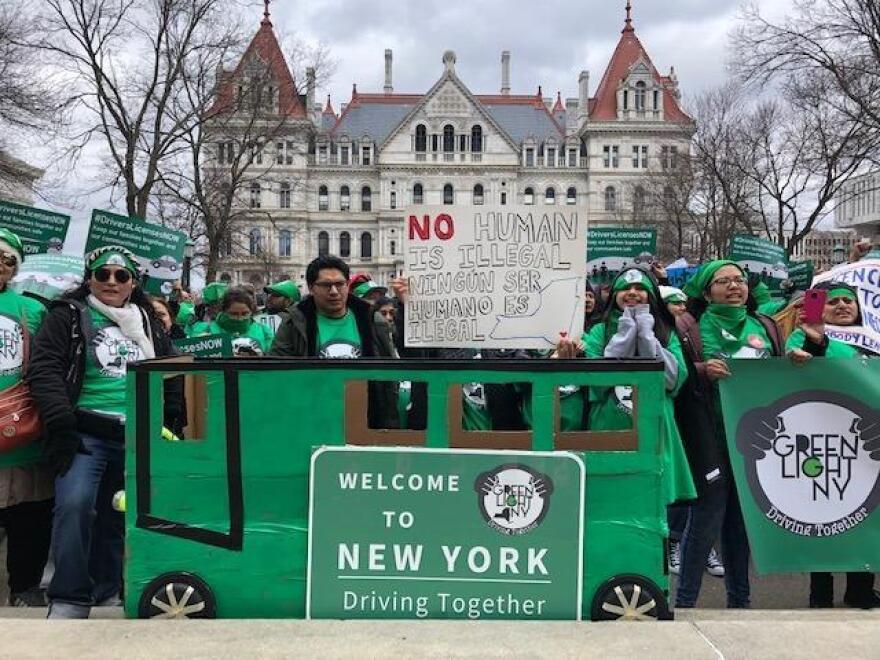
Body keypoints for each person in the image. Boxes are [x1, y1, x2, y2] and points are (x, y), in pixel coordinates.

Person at [29, 246, 183, 619]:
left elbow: (171, 369)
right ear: (89, 278)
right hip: (84, 433)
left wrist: (174, 416)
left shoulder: (146, 321)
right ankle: (69, 596)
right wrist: (62, 422)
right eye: (103, 274)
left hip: (138, 434)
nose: (111, 281)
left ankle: (107, 591)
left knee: (119, 515)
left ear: (133, 282)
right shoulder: (66, 316)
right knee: (75, 507)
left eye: (121, 275)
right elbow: (45, 370)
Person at [674, 260, 783, 609]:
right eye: (724, 281)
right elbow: (672, 371)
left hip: (755, 443)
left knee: (739, 525)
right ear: (707, 292)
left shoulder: (765, 325)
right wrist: (701, 370)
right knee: (705, 521)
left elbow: (780, 372)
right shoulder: (688, 326)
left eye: (739, 280)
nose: (734, 286)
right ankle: (686, 603)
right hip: (709, 438)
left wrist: (800, 359)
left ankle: (740, 602)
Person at [559, 268, 696, 507]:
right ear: (614, 295)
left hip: (655, 433)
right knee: (609, 504)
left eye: (641, 288)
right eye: (625, 288)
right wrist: (624, 335)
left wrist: (645, 333)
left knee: (651, 508)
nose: (632, 293)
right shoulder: (599, 332)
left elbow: (672, 379)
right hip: (606, 431)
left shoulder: (667, 333)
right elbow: (595, 380)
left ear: (651, 296)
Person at [787, 281, 880, 609]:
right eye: (833, 302)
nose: (842, 306)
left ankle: (860, 587)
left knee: (866, 514)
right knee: (822, 515)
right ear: (820, 309)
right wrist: (813, 347)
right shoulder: (803, 336)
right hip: (822, 442)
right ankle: (820, 592)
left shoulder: (874, 341)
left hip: (865, 444)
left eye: (848, 301)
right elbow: (795, 372)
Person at [270, 256, 397, 428]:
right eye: (326, 285)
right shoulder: (294, 322)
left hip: (367, 419)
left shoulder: (372, 320)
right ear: (311, 288)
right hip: (311, 418)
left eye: (340, 284)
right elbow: (277, 375)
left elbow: (391, 373)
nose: (334, 291)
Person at [0, 229, 52, 606]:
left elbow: (46, 367)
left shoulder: (32, 310)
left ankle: (25, 589)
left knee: (29, 518)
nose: (0, 265)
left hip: (20, 428)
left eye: (7, 260)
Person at [189, 287, 274, 356]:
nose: (240, 318)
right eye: (234, 314)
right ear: (223, 311)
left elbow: (274, 359)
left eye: (245, 313)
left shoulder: (264, 331)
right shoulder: (204, 329)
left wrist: (262, 356)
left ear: (251, 311)